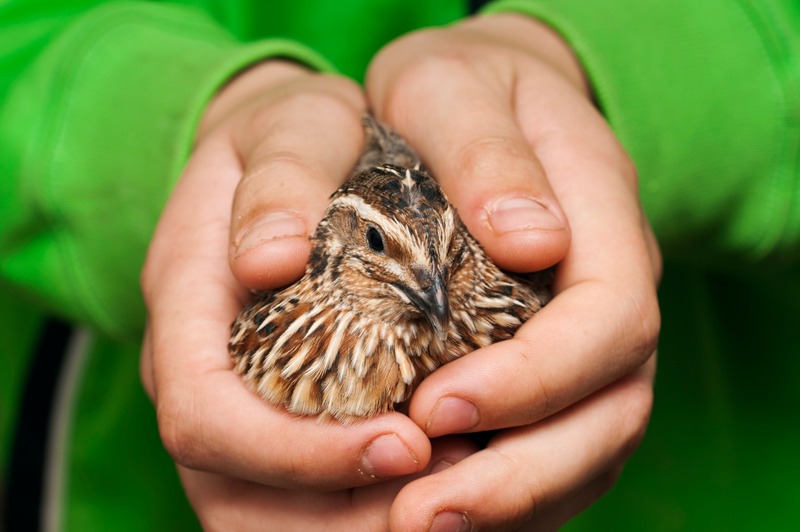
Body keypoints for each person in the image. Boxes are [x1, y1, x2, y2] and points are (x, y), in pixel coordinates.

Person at [1, 0, 796, 530]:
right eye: (382, 250)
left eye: (444, 258)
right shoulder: (283, 306)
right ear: (342, 244)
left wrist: (613, 83)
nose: (429, 286)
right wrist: (173, 123)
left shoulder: (495, 302)